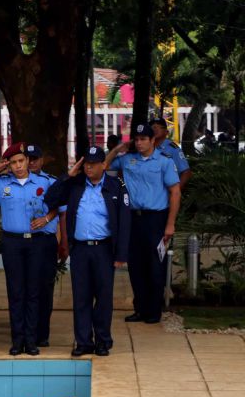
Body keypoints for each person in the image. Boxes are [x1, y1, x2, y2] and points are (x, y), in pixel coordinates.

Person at [0, 142, 54, 356]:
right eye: (13, 162)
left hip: (35, 242)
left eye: (21, 161)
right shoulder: (1, 184)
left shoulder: (43, 182)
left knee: (33, 291)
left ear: (27, 161)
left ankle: (31, 341)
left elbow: (58, 204)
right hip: (12, 243)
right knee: (16, 292)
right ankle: (17, 341)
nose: (18, 166)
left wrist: (46, 218)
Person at [44, 146, 130, 356]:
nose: (89, 168)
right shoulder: (75, 185)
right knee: (81, 297)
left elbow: (125, 222)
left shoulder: (115, 186)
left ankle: (103, 340)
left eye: (93, 164)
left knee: (103, 297)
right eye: (86, 164)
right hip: (81, 249)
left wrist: (121, 254)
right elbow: (50, 200)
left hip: (103, 249)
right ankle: (83, 341)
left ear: (104, 165)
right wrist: (68, 176)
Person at [104, 122, 181, 323]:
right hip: (132, 218)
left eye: (143, 139)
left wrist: (170, 224)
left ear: (152, 140)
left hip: (156, 218)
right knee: (136, 266)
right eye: (136, 140)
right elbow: (103, 167)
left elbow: (175, 192)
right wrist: (116, 149)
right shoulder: (128, 160)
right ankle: (140, 308)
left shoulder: (164, 162)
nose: (139, 143)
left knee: (155, 265)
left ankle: (153, 312)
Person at [25, 144, 67, 347]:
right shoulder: (16, 182)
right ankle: (27, 333)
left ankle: (42, 334)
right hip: (23, 242)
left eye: (35, 158)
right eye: (28, 158)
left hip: (45, 242)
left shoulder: (52, 182)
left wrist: (64, 242)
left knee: (44, 288)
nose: (31, 162)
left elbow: (62, 212)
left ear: (42, 160)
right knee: (25, 289)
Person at [150, 118, 192, 190]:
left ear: (166, 132)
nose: (155, 129)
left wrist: (174, 192)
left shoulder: (173, 149)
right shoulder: (146, 148)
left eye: (159, 127)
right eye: (153, 127)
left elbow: (186, 173)